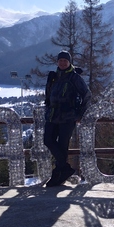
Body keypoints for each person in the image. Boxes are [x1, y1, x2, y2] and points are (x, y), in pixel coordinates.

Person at [44, 51, 91, 187]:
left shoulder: (74, 77)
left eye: (65, 61)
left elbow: (86, 94)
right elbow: (48, 94)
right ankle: (64, 168)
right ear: (57, 62)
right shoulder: (54, 76)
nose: (63, 63)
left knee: (62, 145)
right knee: (48, 140)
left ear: (69, 62)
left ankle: (59, 174)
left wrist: (80, 113)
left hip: (68, 116)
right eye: (60, 60)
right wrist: (48, 107)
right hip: (53, 115)